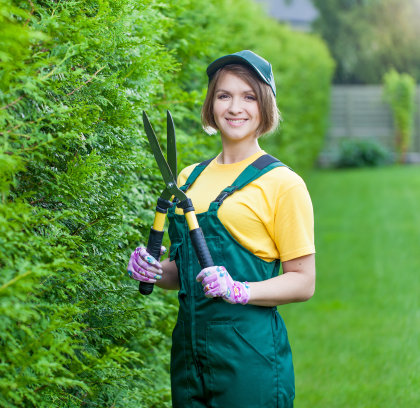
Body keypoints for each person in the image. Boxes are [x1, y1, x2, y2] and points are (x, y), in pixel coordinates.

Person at [127, 50, 315, 407]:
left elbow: (304, 282)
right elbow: (184, 274)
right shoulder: (187, 179)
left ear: (265, 106)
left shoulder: (283, 184)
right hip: (189, 353)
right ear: (211, 105)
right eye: (224, 95)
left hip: (250, 355)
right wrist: (152, 270)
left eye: (248, 97)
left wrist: (240, 290)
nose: (235, 107)